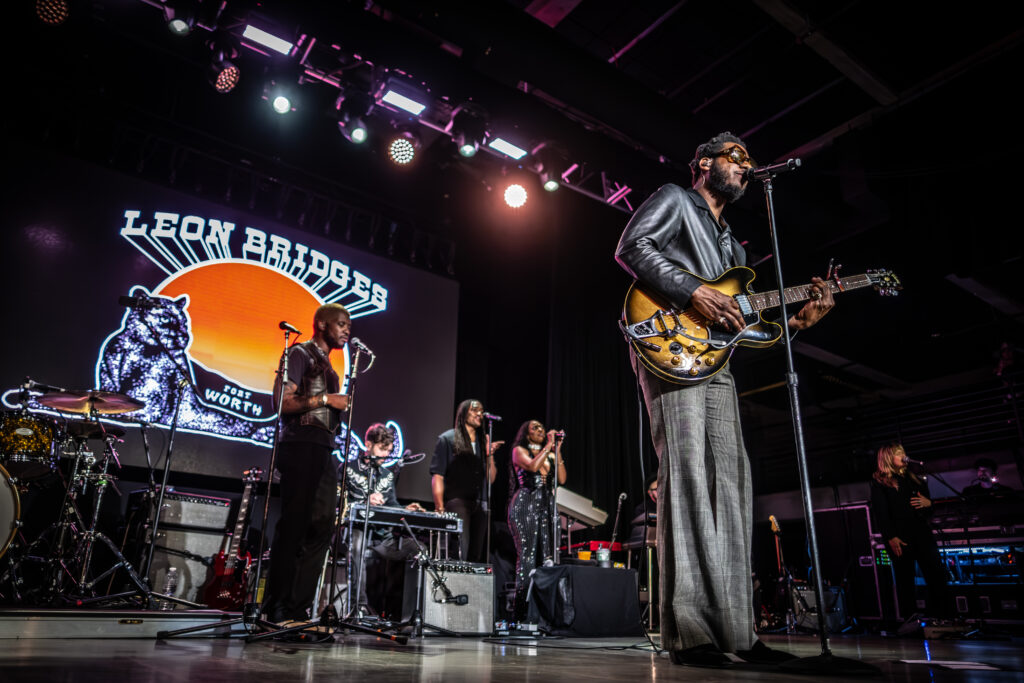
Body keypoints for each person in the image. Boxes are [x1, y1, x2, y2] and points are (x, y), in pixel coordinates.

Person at [615, 132, 835, 667]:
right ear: (704, 163)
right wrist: (692, 291)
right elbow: (631, 246)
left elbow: (741, 333)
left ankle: (738, 633)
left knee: (732, 486)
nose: (745, 166)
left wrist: (795, 324)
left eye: (748, 162)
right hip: (667, 344)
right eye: (736, 157)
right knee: (687, 479)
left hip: (716, 364)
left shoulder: (734, 247)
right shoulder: (675, 198)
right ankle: (690, 635)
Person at [261, 303, 351, 626]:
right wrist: (327, 400)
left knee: (324, 525)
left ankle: (298, 609)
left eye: (348, 326)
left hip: (323, 449)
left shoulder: (330, 368)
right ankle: (276, 608)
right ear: (322, 324)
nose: (346, 330)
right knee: (295, 525)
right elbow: (281, 403)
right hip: (299, 445)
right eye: (341, 324)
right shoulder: (299, 354)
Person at [345, 423, 424, 618]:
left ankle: (412, 614)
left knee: (419, 549)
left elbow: (392, 505)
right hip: (354, 531)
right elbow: (338, 500)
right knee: (357, 546)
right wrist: (365, 500)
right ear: (368, 444)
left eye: (388, 451)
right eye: (382, 449)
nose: (385, 456)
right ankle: (359, 607)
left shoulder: (387, 476)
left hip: (381, 537)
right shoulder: (347, 468)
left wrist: (405, 509)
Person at [869, 443, 951, 624]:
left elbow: (928, 509)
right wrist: (890, 536)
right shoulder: (879, 482)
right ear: (889, 458)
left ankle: (942, 616)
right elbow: (881, 513)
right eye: (899, 453)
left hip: (921, 533)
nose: (904, 456)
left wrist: (929, 504)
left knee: (936, 573)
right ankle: (910, 619)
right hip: (900, 536)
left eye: (904, 452)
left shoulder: (915, 479)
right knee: (905, 578)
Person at [430, 399, 502, 563]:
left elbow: (491, 479)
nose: (479, 414)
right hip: (458, 501)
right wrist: (439, 506)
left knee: (476, 555)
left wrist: (489, 454)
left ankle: (470, 587)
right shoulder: (447, 439)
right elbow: (438, 475)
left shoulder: (483, 442)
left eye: (481, 411)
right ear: (463, 414)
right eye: (474, 410)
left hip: (480, 503)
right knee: (460, 549)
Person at [507, 419, 566, 619]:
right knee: (528, 557)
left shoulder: (549, 452)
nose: (541, 430)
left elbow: (562, 479)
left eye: (542, 427)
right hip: (526, 503)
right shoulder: (518, 450)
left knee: (549, 557)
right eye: (535, 427)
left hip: (546, 504)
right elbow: (532, 467)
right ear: (526, 433)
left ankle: (546, 614)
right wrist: (549, 445)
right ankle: (522, 614)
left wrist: (556, 450)